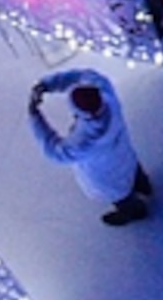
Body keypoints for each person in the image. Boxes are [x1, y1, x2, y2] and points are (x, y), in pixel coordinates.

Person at [28, 68, 151, 223]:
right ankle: (144, 186)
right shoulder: (108, 98)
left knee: (122, 196)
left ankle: (134, 213)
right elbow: (87, 76)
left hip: (108, 180)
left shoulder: (83, 142)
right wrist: (47, 85)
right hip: (126, 157)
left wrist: (34, 116)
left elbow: (55, 152)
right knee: (134, 172)